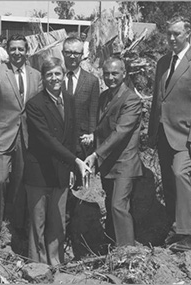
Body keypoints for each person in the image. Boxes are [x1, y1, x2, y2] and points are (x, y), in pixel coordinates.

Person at [148, 15, 191, 252]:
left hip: (186, 137)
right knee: (168, 181)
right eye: (169, 34)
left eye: (176, 34)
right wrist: (151, 133)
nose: (172, 38)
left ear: (188, 33)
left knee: (179, 175)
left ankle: (187, 234)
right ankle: (173, 226)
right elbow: (158, 100)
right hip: (163, 133)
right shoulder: (162, 63)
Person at [0, 34, 42, 242]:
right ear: (7, 51)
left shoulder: (36, 75)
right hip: (3, 134)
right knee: (1, 179)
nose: (17, 53)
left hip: (27, 136)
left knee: (21, 180)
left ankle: (17, 221)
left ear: (27, 51)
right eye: (13, 49)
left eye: (21, 49)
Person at [25, 57, 91, 265]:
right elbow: (47, 140)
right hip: (40, 171)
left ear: (64, 75)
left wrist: (71, 166)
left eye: (57, 74)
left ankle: (56, 264)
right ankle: (37, 265)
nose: (54, 78)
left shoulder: (69, 100)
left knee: (57, 221)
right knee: (39, 222)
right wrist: (76, 161)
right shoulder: (34, 105)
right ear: (43, 78)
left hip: (61, 170)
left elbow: (70, 136)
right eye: (49, 75)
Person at [84, 57, 143, 247]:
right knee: (111, 204)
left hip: (124, 163)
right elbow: (103, 127)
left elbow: (120, 132)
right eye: (107, 73)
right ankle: (112, 246)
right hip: (108, 163)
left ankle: (127, 251)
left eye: (115, 73)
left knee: (119, 206)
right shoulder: (104, 97)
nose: (110, 77)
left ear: (124, 74)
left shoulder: (132, 100)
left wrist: (96, 154)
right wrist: (93, 136)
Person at [61, 36, 100, 169]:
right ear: (63, 53)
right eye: (68, 52)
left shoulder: (91, 81)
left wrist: (92, 134)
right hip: (60, 138)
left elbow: (93, 112)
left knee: (80, 181)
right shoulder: (55, 79)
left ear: (82, 55)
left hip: (81, 140)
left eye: (76, 53)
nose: (72, 56)